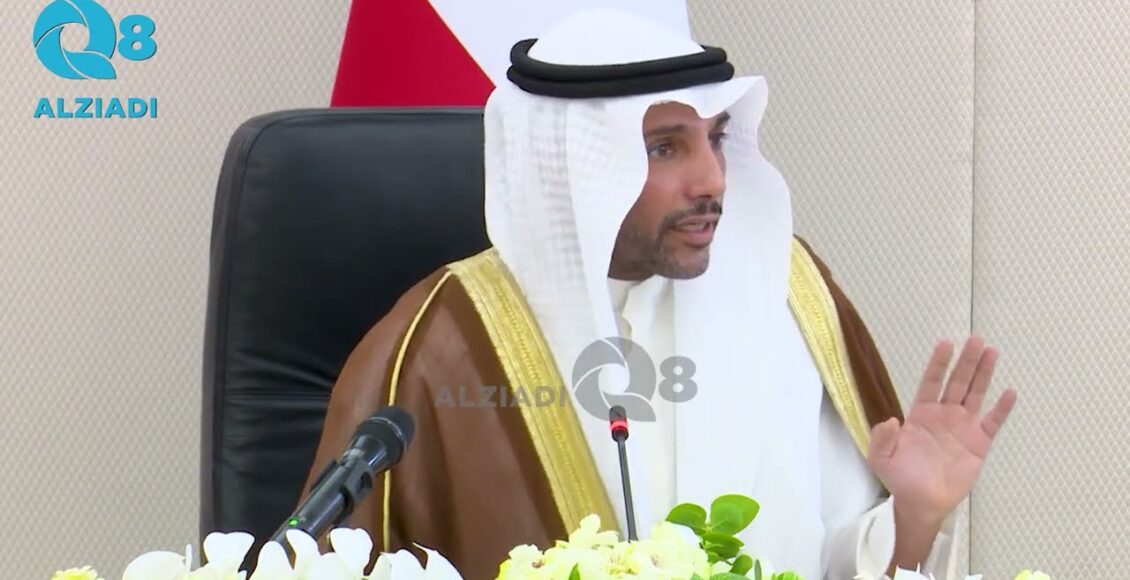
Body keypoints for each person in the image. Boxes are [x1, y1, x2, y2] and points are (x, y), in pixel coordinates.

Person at [300, 9, 1016, 580]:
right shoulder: (445, 343)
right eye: (666, 148)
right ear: (574, 165)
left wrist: (915, 515)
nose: (713, 180)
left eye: (717, 138)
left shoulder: (785, 292)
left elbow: (832, 560)